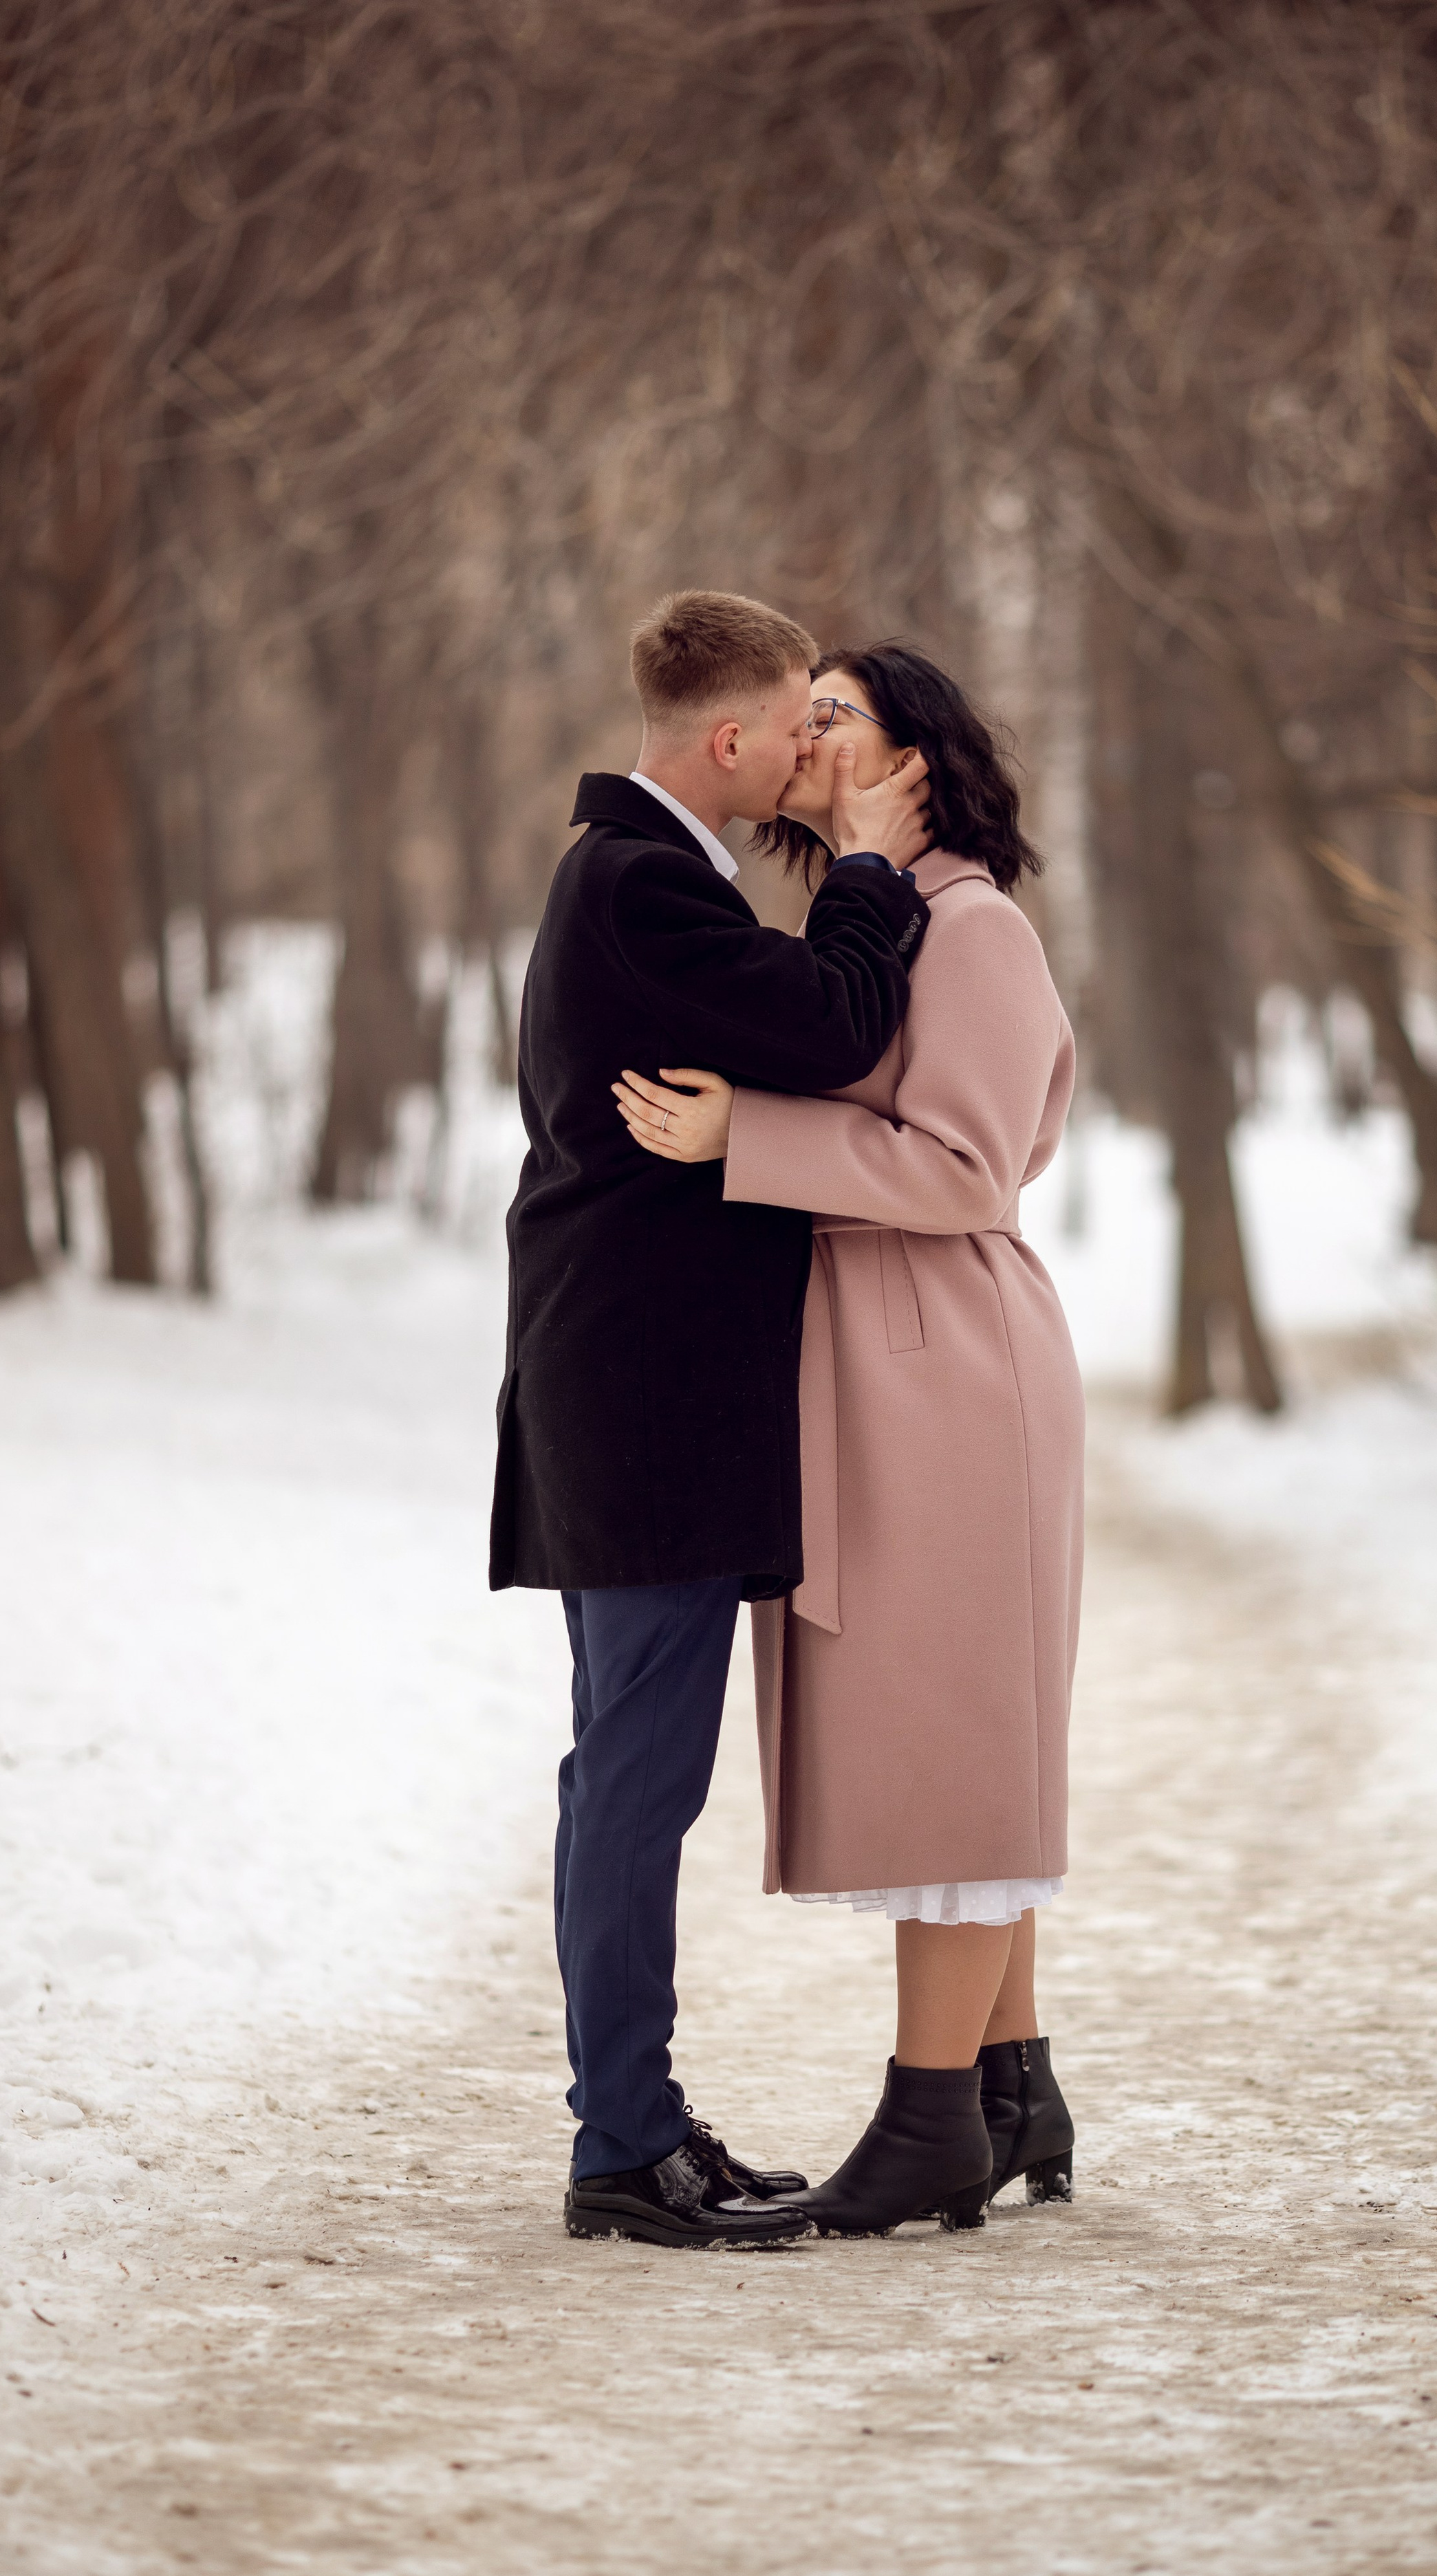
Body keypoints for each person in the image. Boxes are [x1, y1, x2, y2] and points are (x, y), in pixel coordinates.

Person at [612, 643, 1083, 2237]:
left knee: (951, 1733)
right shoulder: (885, 919)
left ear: (917, 764)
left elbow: (963, 1167)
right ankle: (1010, 2083)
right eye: (797, 711)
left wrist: (755, 1130)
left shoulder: (975, 927)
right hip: (892, 1356)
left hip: (944, 1359)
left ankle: (929, 2116)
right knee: (961, 1719)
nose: (805, 736)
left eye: (840, 718)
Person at [492, 591, 933, 2248]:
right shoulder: (640, 885)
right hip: (640, 1408)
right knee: (633, 1780)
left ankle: (635, 2122)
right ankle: (622, 2145)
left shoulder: (639, 876)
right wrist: (881, 869)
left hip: (624, 1394)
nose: (820, 747)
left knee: (623, 1773)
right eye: (800, 727)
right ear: (731, 740)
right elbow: (832, 1021)